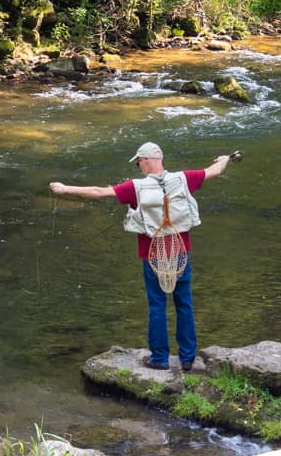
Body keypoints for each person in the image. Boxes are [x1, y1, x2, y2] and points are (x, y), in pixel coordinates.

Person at [48, 142, 231, 371]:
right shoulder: (185, 178)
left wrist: (66, 189)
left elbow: (98, 192)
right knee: (184, 303)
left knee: (157, 305)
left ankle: (160, 359)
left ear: (146, 160)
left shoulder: (136, 187)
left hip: (152, 255)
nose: (138, 167)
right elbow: (215, 171)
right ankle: (187, 358)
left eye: (138, 162)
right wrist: (224, 158)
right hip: (180, 252)